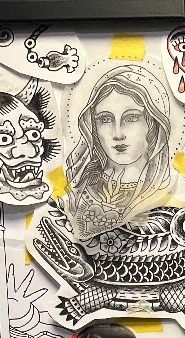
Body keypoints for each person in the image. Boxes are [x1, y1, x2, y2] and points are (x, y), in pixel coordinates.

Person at [65, 64, 172, 238]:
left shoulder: (166, 195)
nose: (117, 134)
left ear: (153, 124)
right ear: (92, 127)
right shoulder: (80, 187)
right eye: (105, 119)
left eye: (131, 118)